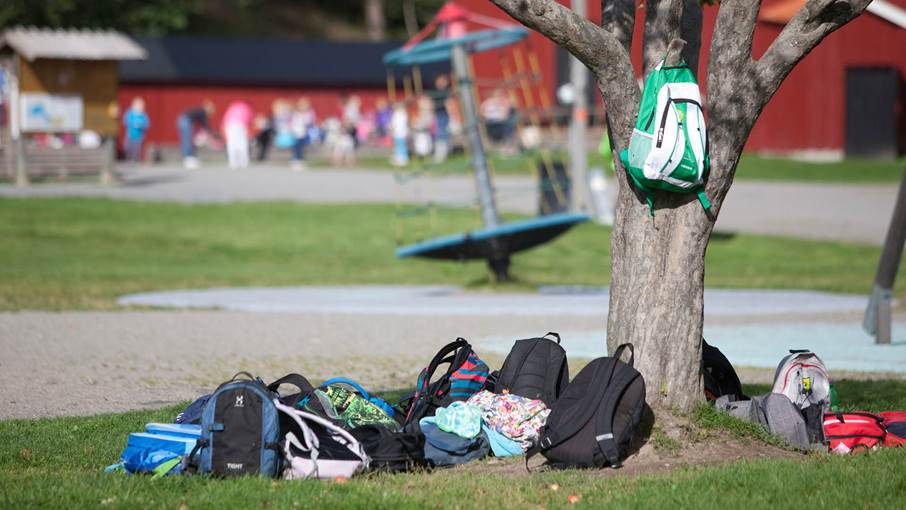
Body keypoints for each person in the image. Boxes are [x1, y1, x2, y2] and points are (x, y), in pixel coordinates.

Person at [177, 100, 215, 169]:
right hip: (186, 120)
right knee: (187, 140)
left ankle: (187, 158)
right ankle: (188, 159)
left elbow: (202, 124)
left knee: (186, 140)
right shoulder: (203, 112)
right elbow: (205, 125)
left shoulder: (200, 111)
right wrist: (211, 133)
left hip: (182, 119)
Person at [221, 100, 253, 169]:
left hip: (229, 125)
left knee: (232, 144)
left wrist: (224, 130)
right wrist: (249, 132)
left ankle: (233, 162)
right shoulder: (247, 108)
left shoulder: (232, 107)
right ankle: (244, 162)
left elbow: (225, 118)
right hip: (240, 125)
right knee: (242, 143)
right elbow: (249, 120)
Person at [290, 97, 316, 171]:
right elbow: (293, 123)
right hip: (296, 133)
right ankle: (295, 161)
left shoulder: (308, 114)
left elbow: (310, 122)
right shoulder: (296, 114)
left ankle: (300, 161)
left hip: (304, 133)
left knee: (302, 148)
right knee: (296, 148)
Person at [430, 75, 451, 162]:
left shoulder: (447, 92)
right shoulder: (434, 91)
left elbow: (449, 104)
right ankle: (439, 153)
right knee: (437, 133)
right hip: (436, 114)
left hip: (443, 114)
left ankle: (442, 154)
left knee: (442, 133)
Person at [122, 97, 150, 163]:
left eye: (141, 106)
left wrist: (141, 125)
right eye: (138, 105)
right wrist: (132, 124)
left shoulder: (143, 115)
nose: (139, 107)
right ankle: (128, 158)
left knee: (136, 148)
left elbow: (147, 124)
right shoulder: (130, 113)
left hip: (139, 136)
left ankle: (135, 159)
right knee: (127, 147)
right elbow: (125, 121)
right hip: (130, 134)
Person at [390, 101, 410, 167]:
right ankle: (398, 158)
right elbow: (393, 124)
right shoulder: (396, 114)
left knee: (402, 145)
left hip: (401, 133)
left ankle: (403, 159)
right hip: (397, 133)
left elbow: (398, 124)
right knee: (398, 146)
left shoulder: (403, 114)